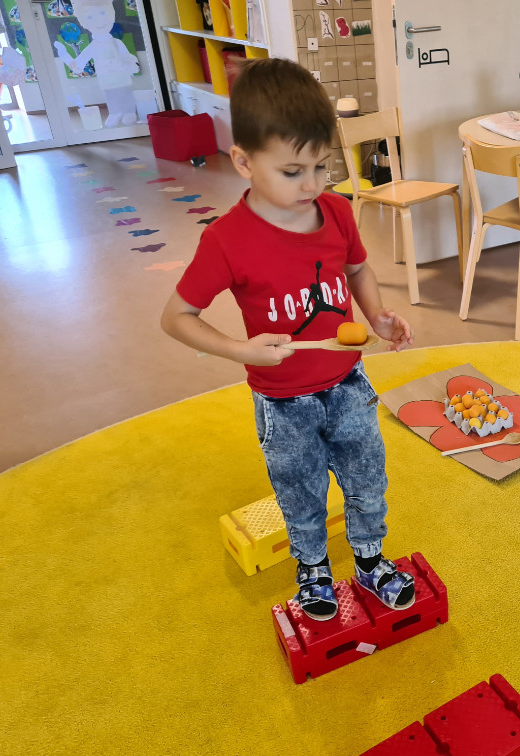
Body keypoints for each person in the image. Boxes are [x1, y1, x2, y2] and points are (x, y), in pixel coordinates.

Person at [160, 58, 415, 622]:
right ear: (244, 162)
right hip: (282, 401)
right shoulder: (226, 241)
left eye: (322, 166)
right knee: (299, 491)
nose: (313, 185)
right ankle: (314, 569)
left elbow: (357, 269)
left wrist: (376, 315)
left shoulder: (337, 212)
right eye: (293, 171)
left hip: (348, 383)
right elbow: (176, 316)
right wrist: (241, 350)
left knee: (367, 477)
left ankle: (370, 560)